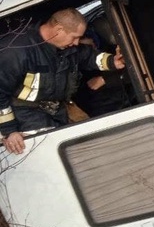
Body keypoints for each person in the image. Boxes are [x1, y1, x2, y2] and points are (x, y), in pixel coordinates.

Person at [0, 8, 125, 154]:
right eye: (74, 37)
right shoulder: (17, 51)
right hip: (25, 119)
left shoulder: (64, 47)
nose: (77, 43)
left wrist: (113, 61)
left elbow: (88, 56)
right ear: (59, 29)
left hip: (57, 113)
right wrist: (10, 131)